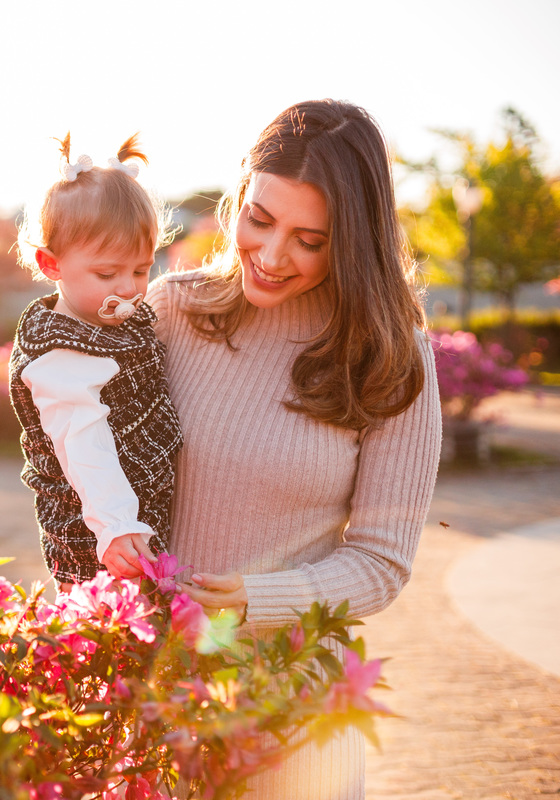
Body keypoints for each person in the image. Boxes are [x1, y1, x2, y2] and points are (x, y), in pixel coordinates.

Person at [146, 100, 442, 797]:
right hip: (158, 696)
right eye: (260, 219)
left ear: (354, 242)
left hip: (297, 711)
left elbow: (382, 562)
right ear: (239, 195)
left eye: (310, 240)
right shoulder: (172, 311)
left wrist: (259, 597)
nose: (274, 256)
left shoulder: (390, 358)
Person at [9, 133, 182, 589]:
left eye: (141, 269)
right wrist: (116, 525)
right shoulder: (59, 354)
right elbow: (83, 442)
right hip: (98, 539)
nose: (128, 287)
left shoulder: (112, 318)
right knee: (104, 623)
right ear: (51, 264)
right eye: (107, 273)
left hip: (139, 513)